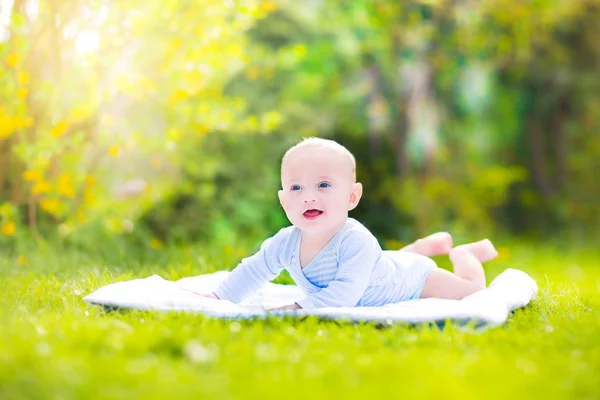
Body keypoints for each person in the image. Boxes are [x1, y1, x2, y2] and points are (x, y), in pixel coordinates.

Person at [199, 138, 498, 311]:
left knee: (471, 292)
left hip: (411, 280)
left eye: (324, 185)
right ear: (283, 199)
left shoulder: (356, 240)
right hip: (382, 267)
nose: (308, 197)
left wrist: (297, 309)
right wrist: (218, 298)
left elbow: (345, 295)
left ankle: (464, 255)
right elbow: (254, 269)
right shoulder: (285, 242)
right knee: (384, 263)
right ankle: (420, 248)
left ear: (352, 196)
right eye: (296, 188)